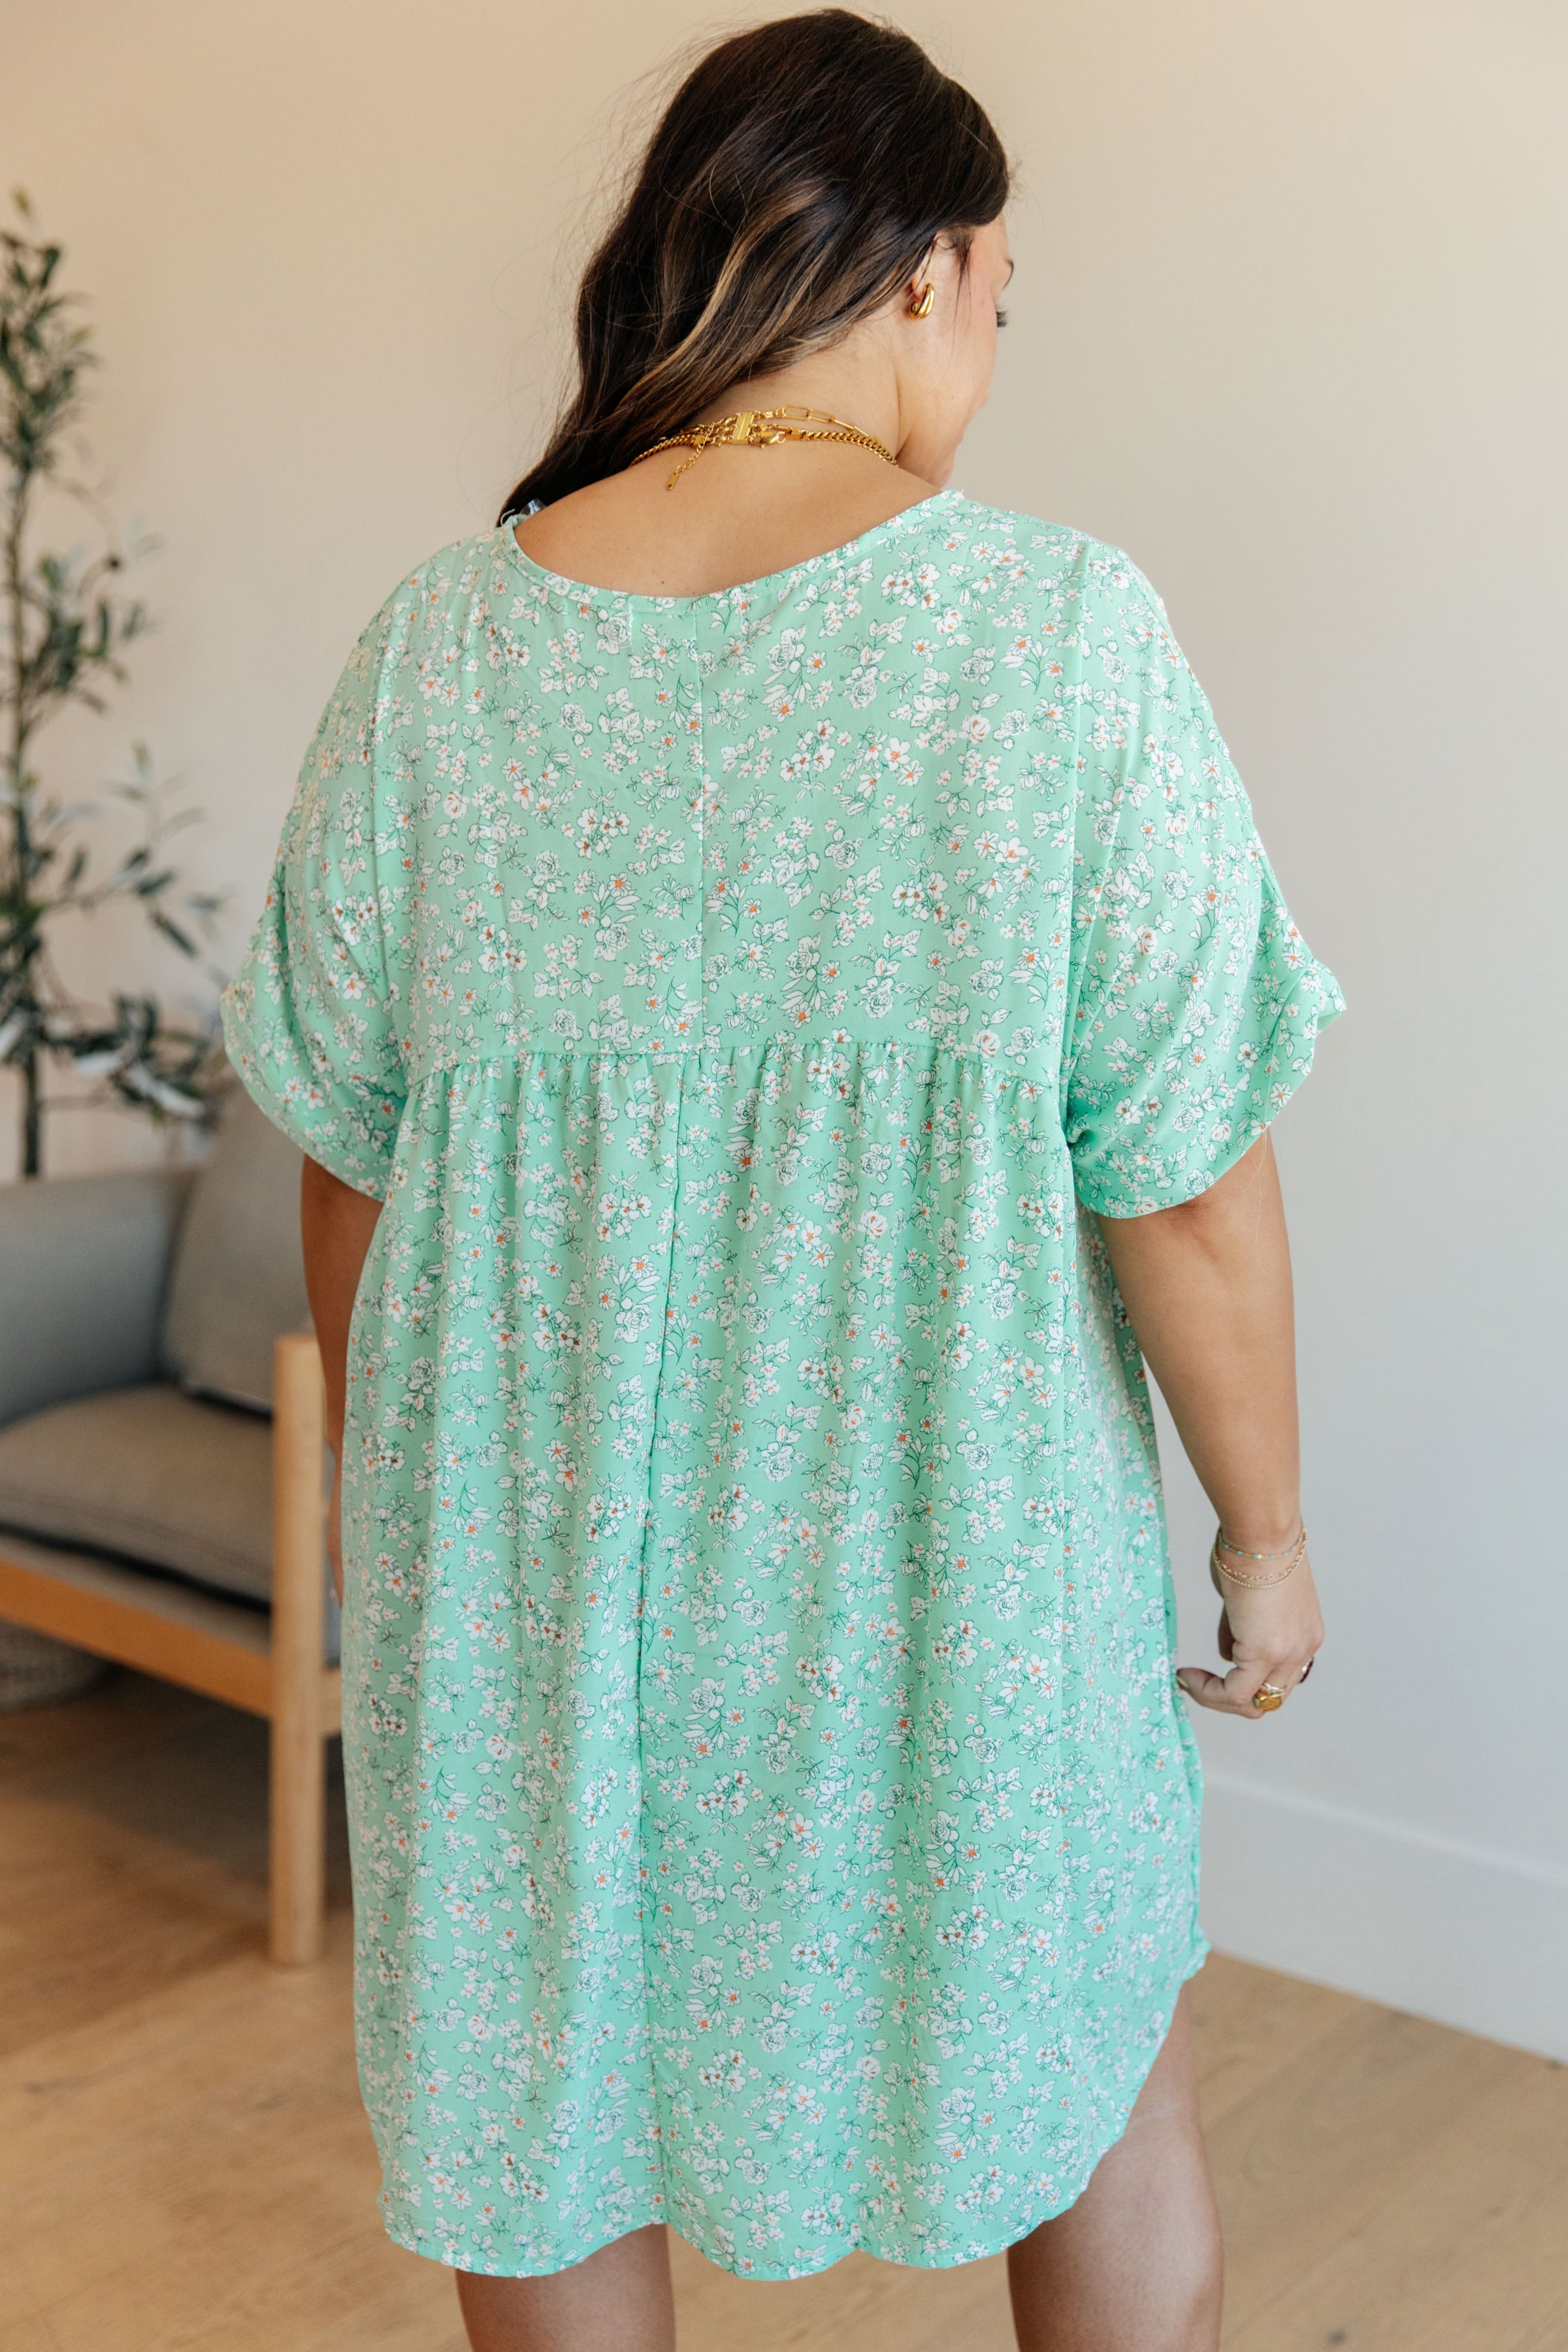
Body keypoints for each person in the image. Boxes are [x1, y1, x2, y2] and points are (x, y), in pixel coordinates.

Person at [222, 12, 1341, 2348]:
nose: (993, 352)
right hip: (959, 1568)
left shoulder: (438, 651)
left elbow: (356, 1183)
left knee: (541, 2113)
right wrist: (1265, 1539)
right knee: (1097, 2081)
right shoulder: (1056, 633)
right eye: (1003, 297)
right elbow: (1187, 1185)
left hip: (531, 1576)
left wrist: (430, 1516)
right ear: (925, 273)